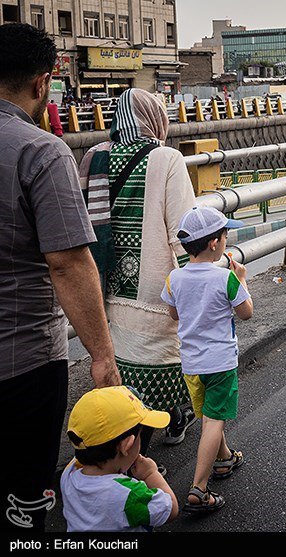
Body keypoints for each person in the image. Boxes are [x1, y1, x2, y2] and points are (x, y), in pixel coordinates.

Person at [0, 23, 120, 533]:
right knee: (21, 498)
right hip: (21, 360)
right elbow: (68, 262)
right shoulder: (40, 151)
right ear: (42, 83)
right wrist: (102, 356)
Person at [78, 88, 199, 455]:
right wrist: (198, 286)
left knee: (124, 368)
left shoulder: (93, 156)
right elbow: (184, 232)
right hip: (153, 288)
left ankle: (131, 454)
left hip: (106, 283)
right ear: (154, 119)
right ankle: (140, 457)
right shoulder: (167, 158)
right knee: (158, 366)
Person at [161, 206, 253, 513]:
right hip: (220, 363)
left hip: (191, 364)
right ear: (214, 243)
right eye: (225, 235)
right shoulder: (225, 278)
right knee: (214, 420)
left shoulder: (174, 278)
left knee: (209, 415)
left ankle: (224, 458)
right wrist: (241, 279)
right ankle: (199, 488)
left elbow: (174, 313)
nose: (227, 240)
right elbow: (246, 312)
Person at [60, 386, 179, 531]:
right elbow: (171, 509)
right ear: (127, 446)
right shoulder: (129, 494)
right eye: (139, 436)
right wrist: (150, 474)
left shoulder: (69, 473)